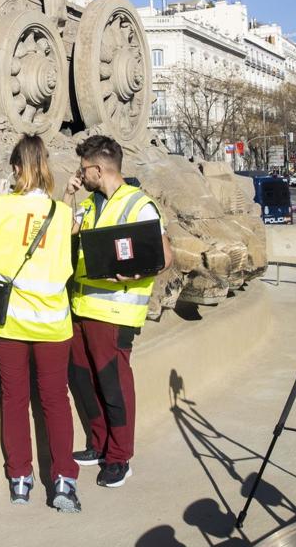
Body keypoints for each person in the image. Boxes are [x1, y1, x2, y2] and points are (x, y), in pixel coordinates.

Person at [0, 134, 81, 512]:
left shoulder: (1, 207)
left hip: (9, 324)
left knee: (14, 401)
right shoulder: (64, 215)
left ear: (16, 169)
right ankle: (63, 481)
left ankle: (20, 479)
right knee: (55, 402)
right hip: (52, 324)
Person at [63, 135, 174, 488]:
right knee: (84, 380)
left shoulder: (140, 205)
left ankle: (119, 457)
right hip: (82, 308)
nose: (82, 174)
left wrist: (138, 271)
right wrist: (69, 194)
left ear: (97, 169)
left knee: (114, 386)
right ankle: (99, 444)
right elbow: (65, 231)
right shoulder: (92, 203)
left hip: (115, 313)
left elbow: (165, 257)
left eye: (84, 170)